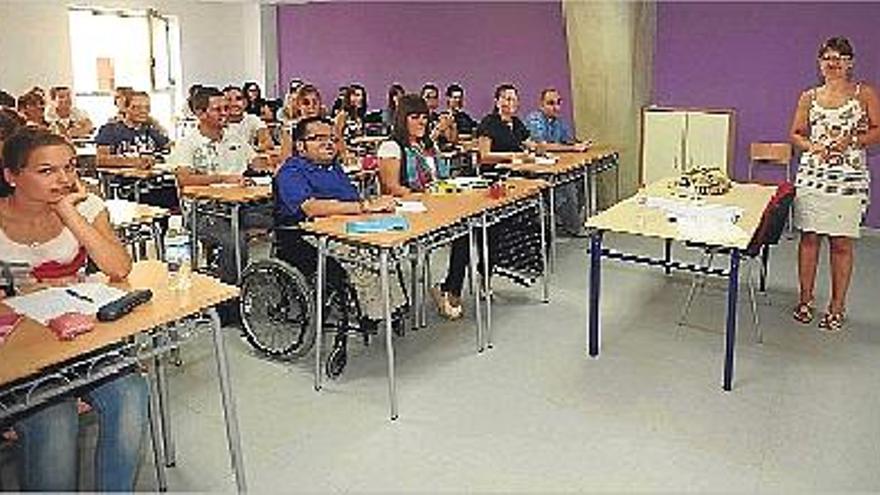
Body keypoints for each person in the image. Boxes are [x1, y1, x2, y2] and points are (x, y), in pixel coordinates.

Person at [0, 127, 146, 491]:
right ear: (12, 176)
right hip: (17, 353)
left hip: (81, 340)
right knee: (53, 416)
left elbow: (118, 267)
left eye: (69, 167)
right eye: (47, 171)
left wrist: (69, 212)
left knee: (131, 392)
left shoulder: (87, 206)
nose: (64, 179)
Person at [789, 36, 880, 331]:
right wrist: (812, 146)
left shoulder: (864, 93)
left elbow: (877, 131)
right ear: (820, 63)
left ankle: (837, 306)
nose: (833, 63)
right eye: (828, 57)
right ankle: (805, 300)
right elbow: (796, 134)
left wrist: (852, 140)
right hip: (813, 178)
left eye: (840, 57)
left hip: (848, 181)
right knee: (809, 239)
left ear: (850, 62)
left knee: (841, 244)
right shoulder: (808, 97)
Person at [275, 116, 405, 322]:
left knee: (388, 248)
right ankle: (375, 312)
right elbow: (310, 207)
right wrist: (364, 206)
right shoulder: (291, 171)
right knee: (366, 258)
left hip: (346, 228)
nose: (329, 143)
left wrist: (374, 205)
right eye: (319, 138)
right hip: (305, 236)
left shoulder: (333, 168)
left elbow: (351, 200)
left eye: (333, 139)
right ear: (300, 145)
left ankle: (391, 307)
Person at [377, 94, 489, 319]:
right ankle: (449, 290)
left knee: (472, 226)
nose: (421, 122)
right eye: (414, 117)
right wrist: (424, 194)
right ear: (402, 120)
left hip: (435, 206)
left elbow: (441, 177)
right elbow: (391, 187)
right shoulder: (391, 147)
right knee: (462, 232)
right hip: (408, 211)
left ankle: (451, 287)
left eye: (424, 118)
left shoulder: (428, 146)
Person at [167, 86, 271, 285]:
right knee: (233, 240)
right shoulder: (189, 143)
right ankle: (230, 293)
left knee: (289, 217)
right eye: (218, 109)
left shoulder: (234, 137)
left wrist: (272, 159)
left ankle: (284, 280)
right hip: (205, 211)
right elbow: (184, 180)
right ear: (200, 113)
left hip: (243, 205)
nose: (226, 113)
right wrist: (223, 179)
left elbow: (257, 163)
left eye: (226, 108)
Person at [525, 87, 591, 236]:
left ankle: (567, 219)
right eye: (551, 103)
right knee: (567, 186)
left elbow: (568, 141)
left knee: (583, 178)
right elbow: (543, 145)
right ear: (541, 105)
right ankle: (574, 227)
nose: (556, 107)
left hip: (556, 165)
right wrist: (573, 148)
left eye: (558, 103)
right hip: (537, 170)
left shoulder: (559, 121)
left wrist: (581, 144)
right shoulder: (535, 119)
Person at [95, 91, 170, 169]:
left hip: (153, 177)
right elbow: (100, 160)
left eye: (147, 108)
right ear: (125, 109)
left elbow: (169, 150)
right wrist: (133, 162)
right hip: (123, 179)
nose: (143, 111)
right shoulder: (110, 130)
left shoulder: (151, 130)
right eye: (137, 107)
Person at [476, 83, 536, 165]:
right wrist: (512, 156)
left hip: (517, 167)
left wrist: (533, 149)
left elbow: (528, 143)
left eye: (515, 100)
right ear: (497, 102)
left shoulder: (517, 122)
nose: (512, 103)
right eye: (508, 99)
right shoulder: (488, 122)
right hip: (495, 171)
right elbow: (484, 156)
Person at [224, 85, 271, 151]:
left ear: (245, 102)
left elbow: (267, 142)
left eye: (238, 99)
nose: (234, 104)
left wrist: (250, 151)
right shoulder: (218, 121)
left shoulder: (252, 119)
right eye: (229, 100)